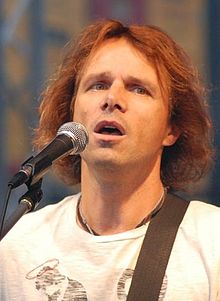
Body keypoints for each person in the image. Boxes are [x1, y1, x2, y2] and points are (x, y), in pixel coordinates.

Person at [0, 19, 220, 301]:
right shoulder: (16, 247)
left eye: (139, 88)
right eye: (98, 85)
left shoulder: (212, 241)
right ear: (72, 113)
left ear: (172, 128)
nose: (112, 98)